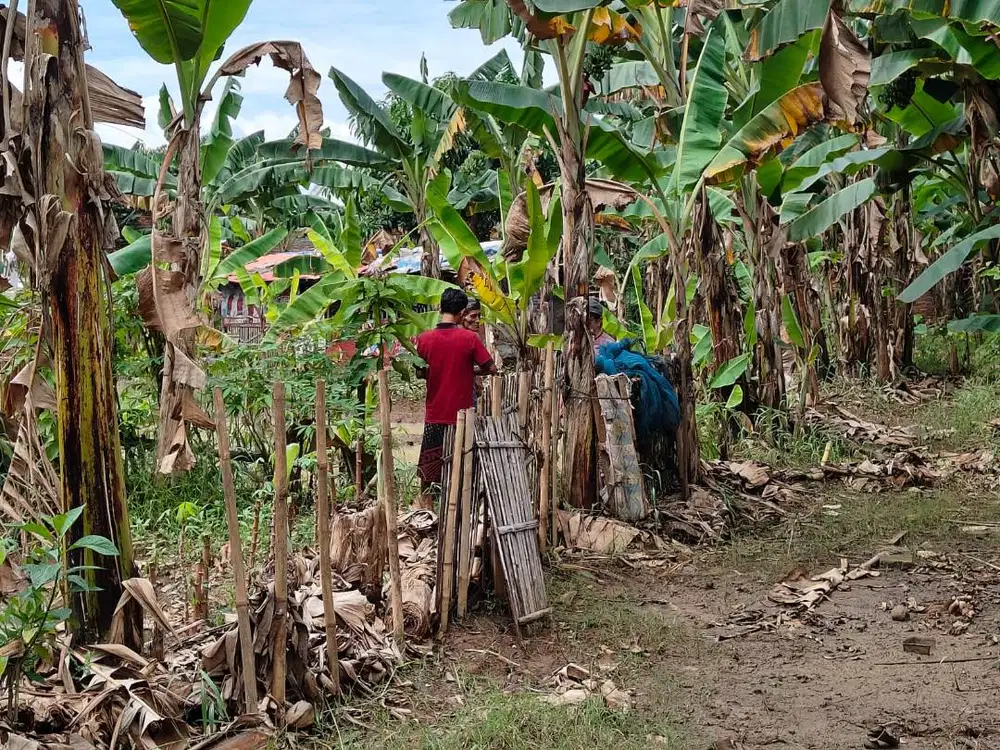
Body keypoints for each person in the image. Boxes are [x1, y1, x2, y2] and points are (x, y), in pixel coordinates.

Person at [415, 288, 497, 509]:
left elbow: (419, 371)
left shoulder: (423, 340)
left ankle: (427, 508)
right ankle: (462, 506)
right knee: (463, 463)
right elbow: (491, 368)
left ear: (441, 308)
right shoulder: (469, 339)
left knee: (429, 468)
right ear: (462, 312)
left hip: (435, 413)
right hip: (462, 414)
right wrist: (468, 371)